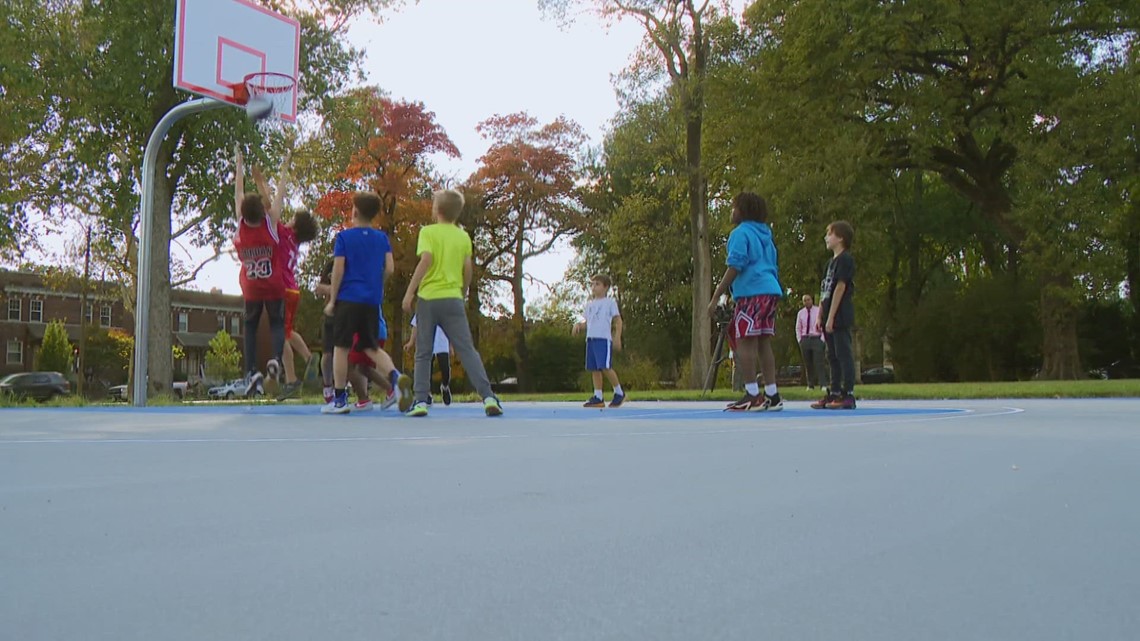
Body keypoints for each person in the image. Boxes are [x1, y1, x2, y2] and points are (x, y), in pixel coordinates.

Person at [401, 189, 502, 417]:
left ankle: (420, 401)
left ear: (437, 209)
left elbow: (425, 260)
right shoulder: (463, 236)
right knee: (467, 350)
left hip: (428, 298)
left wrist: (409, 292)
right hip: (453, 299)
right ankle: (488, 397)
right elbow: (468, 268)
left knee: (423, 352)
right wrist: (463, 291)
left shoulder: (427, 232)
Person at [322, 192, 410, 415]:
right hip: (371, 300)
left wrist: (333, 299)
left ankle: (340, 400)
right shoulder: (382, 238)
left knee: (341, 348)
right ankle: (395, 376)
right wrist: (376, 284)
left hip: (348, 299)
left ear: (355, 211)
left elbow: (339, 269)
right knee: (370, 347)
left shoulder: (344, 238)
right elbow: (389, 268)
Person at [708, 192, 784, 412]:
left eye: (734, 207)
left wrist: (716, 296)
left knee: (744, 341)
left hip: (752, 292)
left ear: (742, 211)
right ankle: (772, 393)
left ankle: (752, 394)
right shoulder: (766, 235)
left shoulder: (740, 234)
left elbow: (736, 265)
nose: (731, 211)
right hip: (770, 290)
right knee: (763, 342)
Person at [233, 146, 287, 397]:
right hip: (273, 284)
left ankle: (252, 370)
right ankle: (275, 360)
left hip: (251, 286)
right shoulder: (271, 221)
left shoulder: (241, 224)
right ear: (262, 211)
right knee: (277, 322)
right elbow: (280, 197)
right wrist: (284, 168)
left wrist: (239, 164)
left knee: (251, 327)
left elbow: (239, 191)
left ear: (243, 211)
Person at [812, 221, 857, 410]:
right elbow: (825, 292)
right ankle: (835, 391)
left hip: (840, 314)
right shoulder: (829, 264)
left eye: (829, 234)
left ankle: (848, 393)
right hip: (828, 314)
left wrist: (831, 317)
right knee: (831, 355)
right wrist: (820, 315)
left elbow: (840, 287)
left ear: (840, 238)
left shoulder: (845, 260)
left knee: (843, 353)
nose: (826, 238)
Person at [275, 209, 319, 400]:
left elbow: (271, 214)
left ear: (295, 225)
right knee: (288, 331)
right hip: (293, 289)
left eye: (292, 218)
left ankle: (291, 380)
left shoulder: (285, 234)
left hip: (282, 290)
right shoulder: (296, 242)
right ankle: (309, 357)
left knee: (281, 335)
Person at [572, 274, 625, 408]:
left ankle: (619, 392)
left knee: (605, 367)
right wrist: (578, 325)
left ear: (606, 287)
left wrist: (617, 336)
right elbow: (587, 323)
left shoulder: (610, 303)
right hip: (591, 339)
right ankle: (598, 396)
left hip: (603, 339)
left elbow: (618, 320)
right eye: (592, 284)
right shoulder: (590, 305)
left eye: (597, 284)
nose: (594, 287)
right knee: (594, 368)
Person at [404, 314, 453, 406]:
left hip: (442, 343)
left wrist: (451, 345)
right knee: (427, 370)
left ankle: (445, 386)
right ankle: (427, 393)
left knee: (445, 369)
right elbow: (415, 326)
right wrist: (411, 342)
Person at [795, 294, 827, 390]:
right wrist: (800, 340)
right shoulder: (800, 313)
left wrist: (822, 339)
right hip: (805, 339)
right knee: (808, 363)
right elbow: (798, 327)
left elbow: (823, 325)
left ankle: (823, 384)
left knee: (819, 362)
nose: (807, 302)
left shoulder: (818, 311)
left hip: (816, 338)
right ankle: (810, 385)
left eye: (808, 299)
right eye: (805, 300)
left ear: (811, 300)